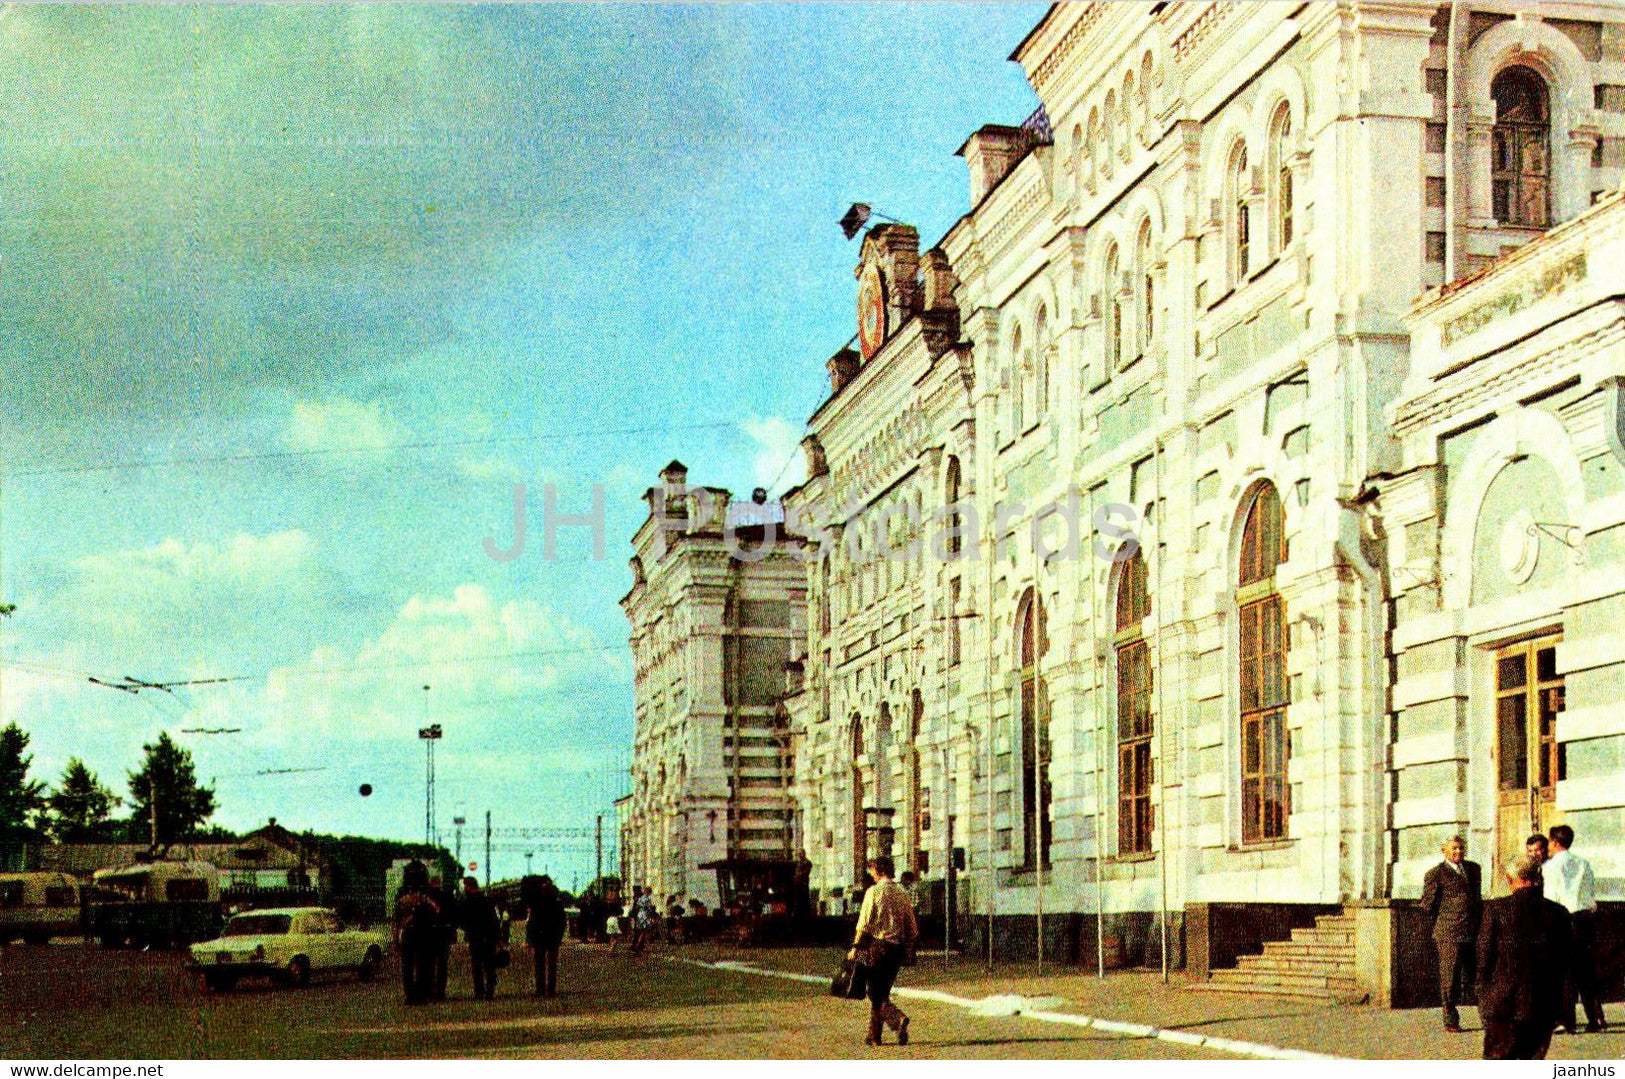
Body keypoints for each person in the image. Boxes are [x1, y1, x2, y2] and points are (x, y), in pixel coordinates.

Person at [1476, 853, 1570, 1060]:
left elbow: (1483, 960)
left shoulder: (1495, 910)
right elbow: (1565, 963)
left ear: (1510, 880)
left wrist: (1484, 1000)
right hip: (1543, 1005)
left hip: (1502, 1005)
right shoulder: (1559, 913)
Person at [1543, 824, 1608, 1034]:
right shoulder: (1583, 863)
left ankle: (1566, 1021)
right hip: (1583, 918)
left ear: (1554, 842)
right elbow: (1590, 894)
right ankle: (1594, 1018)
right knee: (1585, 970)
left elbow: (1550, 897)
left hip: (1561, 917)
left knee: (1563, 971)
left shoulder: (1550, 866)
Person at [850, 855, 918, 1049]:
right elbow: (912, 929)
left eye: (872, 870)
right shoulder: (902, 893)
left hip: (878, 947)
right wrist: (908, 950)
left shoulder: (873, 892)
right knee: (882, 992)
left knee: (874, 992)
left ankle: (898, 1019)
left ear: (878, 871)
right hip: (897, 950)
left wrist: (855, 948)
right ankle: (874, 1037)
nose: (870, 874)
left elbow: (863, 924)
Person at [1419, 834, 1482, 1032]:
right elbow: (1428, 905)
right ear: (1444, 851)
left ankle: (1489, 1017)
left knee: (1479, 975)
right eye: (1453, 848)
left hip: (1472, 931)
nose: (1458, 852)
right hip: (1449, 934)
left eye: (1461, 848)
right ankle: (1450, 1019)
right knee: (1450, 979)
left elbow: (1477, 898)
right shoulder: (1435, 874)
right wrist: (1446, 920)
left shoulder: (1473, 869)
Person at [393, 860, 440, 1006]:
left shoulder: (401, 892)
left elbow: (397, 915)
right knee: (424, 964)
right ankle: (423, 993)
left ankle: (410, 994)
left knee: (407, 966)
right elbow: (436, 911)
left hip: (408, 931)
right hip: (425, 931)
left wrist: (395, 935)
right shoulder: (428, 892)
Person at [460, 876, 502, 1001]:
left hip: (475, 937)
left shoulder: (467, 902)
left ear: (468, 886)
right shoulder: (488, 900)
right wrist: (498, 937)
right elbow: (495, 920)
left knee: (477, 965)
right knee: (490, 965)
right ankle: (490, 991)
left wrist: (467, 930)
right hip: (489, 937)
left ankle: (479, 992)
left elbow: (464, 920)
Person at [526, 875, 566, 998]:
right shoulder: (558, 904)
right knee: (552, 965)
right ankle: (551, 990)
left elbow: (531, 923)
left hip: (539, 938)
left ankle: (540, 990)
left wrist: (529, 939)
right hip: (553, 938)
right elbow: (562, 922)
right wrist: (559, 937)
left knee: (539, 965)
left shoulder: (536, 905)